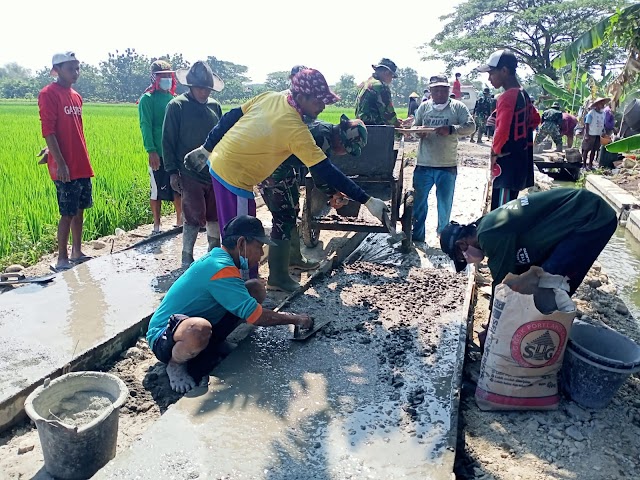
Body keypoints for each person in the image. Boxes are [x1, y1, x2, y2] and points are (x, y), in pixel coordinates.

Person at [184, 68, 390, 277]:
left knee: (237, 233)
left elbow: (232, 115)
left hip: (223, 165)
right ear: (301, 96)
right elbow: (325, 171)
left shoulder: (272, 97)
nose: (322, 107)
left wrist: (207, 148)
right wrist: (367, 200)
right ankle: (242, 289)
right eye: (318, 101)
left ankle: (240, 283)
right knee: (244, 240)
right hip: (234, 175)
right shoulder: (296, 129)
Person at [146, 215, 314, 393]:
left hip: (189, 326)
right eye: (259, 247)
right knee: (199, 329)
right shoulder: (220, 268)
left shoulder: (222, 261)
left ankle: (217, 342)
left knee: (255, 288)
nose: (261, 254)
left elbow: (246, 305)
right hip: (164, 337)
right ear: (242, 243)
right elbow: (257, 317)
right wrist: (296, 319)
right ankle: (175, 365)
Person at [259, 115, 368, 292]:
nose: (344, 153)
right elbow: (320, 176)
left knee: (292, 210)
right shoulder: (321, 139)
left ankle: (293, 259)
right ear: (341, 139)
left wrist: (333, 192)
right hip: (270, 169)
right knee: (283, 219)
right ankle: (277, 278)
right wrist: (334, 193)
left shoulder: (325, 131)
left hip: (284, 167)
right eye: (347, 149)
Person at [440, 188, 617, 296]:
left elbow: (503, 284)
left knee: (553, 281)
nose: (467, 259)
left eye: (462, 258)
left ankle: (545, 328)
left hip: (591, 216)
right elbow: (518, 272)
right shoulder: (488, 228)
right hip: (583, 216)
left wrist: (494, 326)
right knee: (539, 278)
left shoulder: (487, 234)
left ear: (462, 245)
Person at [163, 61, 224, 267]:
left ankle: (213, 253)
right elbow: (168, 141)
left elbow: (222, 137)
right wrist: (172, 172)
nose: (203, 93)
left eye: (207, 89)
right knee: (193, 213)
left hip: (213, 170)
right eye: (199, 88)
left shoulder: (215, 106)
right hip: (189, 171)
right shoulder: (177, 106)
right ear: (190, 87)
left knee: (215, 213)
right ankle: (187, 256)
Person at [38, 52, 94, 272]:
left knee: (80, 209)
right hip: (65, 166)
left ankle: (77, 252)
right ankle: (62, 258)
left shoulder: (76, 96)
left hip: (81, 161)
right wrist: (59, 162)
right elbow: (48, 130)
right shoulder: (48, 94)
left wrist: (50, 151)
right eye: (71, 68)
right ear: (57, 69)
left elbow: (72, 130)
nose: (75, 72)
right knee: (67, 212)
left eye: (77, 68)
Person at [411, 75, 475, 244]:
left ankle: (443, 237)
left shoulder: (458, 108)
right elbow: (414, 128)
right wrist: (419, 132)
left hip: (447, 165)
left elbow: (471, 126)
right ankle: (417, 236)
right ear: (430, 91)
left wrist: (451, 129)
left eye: (443, 89)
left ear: (448, 90)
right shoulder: (424, 107)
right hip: (424, 164)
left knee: (444, 205)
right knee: (419, 204)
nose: (439, 92)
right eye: (436, 89)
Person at [477, 50, 540, 210]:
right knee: (511, 206)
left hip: (507, 164)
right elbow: (535, 119)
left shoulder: (506, 96)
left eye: (491, 73)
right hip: (521, 160)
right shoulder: (523, 94)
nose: (489, 78)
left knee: (500, 211)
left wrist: (494, 154)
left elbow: (502, 132)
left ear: (504, 71)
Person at [138, 60, 182, 235]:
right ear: (154, 78)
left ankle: (180, 220)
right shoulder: (147, 99)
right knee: (156, 189)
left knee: (177, 187)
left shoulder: (174, 99)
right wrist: (151, 150)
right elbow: (145, 125)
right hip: (158, 151)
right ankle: (156, 225)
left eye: (168, 76)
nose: (166, 79)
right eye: (162, 76)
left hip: (174, 152)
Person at [355, 58, 406, 127]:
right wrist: (397, 124)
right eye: (392, 76)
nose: (391, 79)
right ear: (387, 72)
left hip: (361, 128)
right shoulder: (380, 86)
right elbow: (388, 114)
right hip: (375, 130)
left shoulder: (365, 84)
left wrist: (395, 120)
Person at [582, 97, 609, 170]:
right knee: (586, 149)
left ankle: (590, 165)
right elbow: (587, 124)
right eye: (601, 103)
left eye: (603, 103)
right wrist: (586, 134)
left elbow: (603, 124)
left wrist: (604, 132)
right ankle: (584, 165)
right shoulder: (591, 113)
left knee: (594, 150)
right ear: (597, 104)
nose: (603, 105)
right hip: (591, 134)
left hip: (598, 134)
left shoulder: (603, 113)